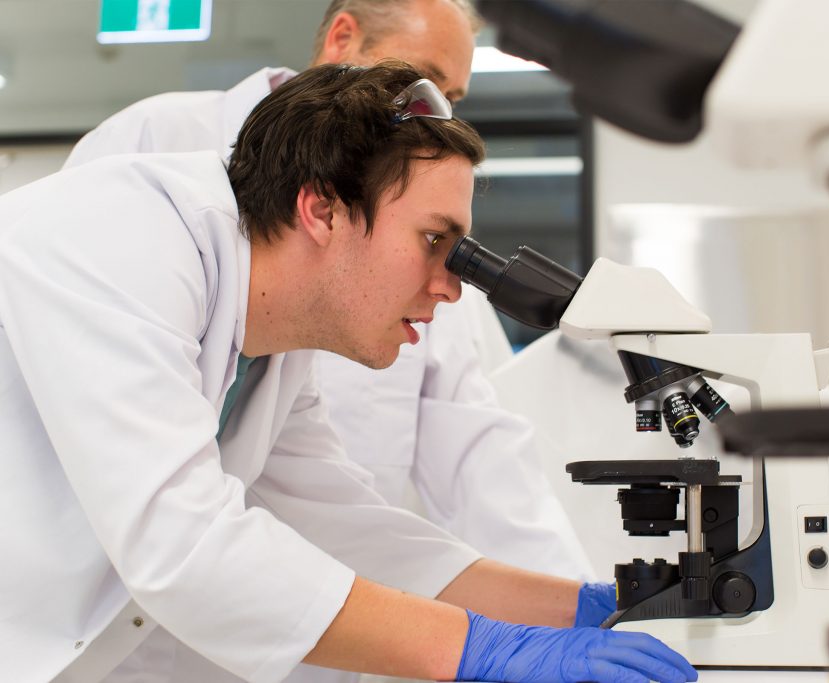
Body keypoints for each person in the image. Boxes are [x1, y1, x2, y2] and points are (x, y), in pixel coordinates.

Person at [0, 63, 698, 683]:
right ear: (322, 208)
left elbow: (344, 526)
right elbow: (184, 544)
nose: (452, 288)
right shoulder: (122, 243)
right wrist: (481, 648)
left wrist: (580, 606)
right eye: (435, 241)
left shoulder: (271, 343)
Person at [64, 0, 596, 587]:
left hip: (312, 626)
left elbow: (463, 468)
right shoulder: (154, 148)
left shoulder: (295, 364)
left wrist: (582, 609)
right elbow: (169, 524)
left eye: (452, 101)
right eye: (421, 85)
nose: (433, 120)